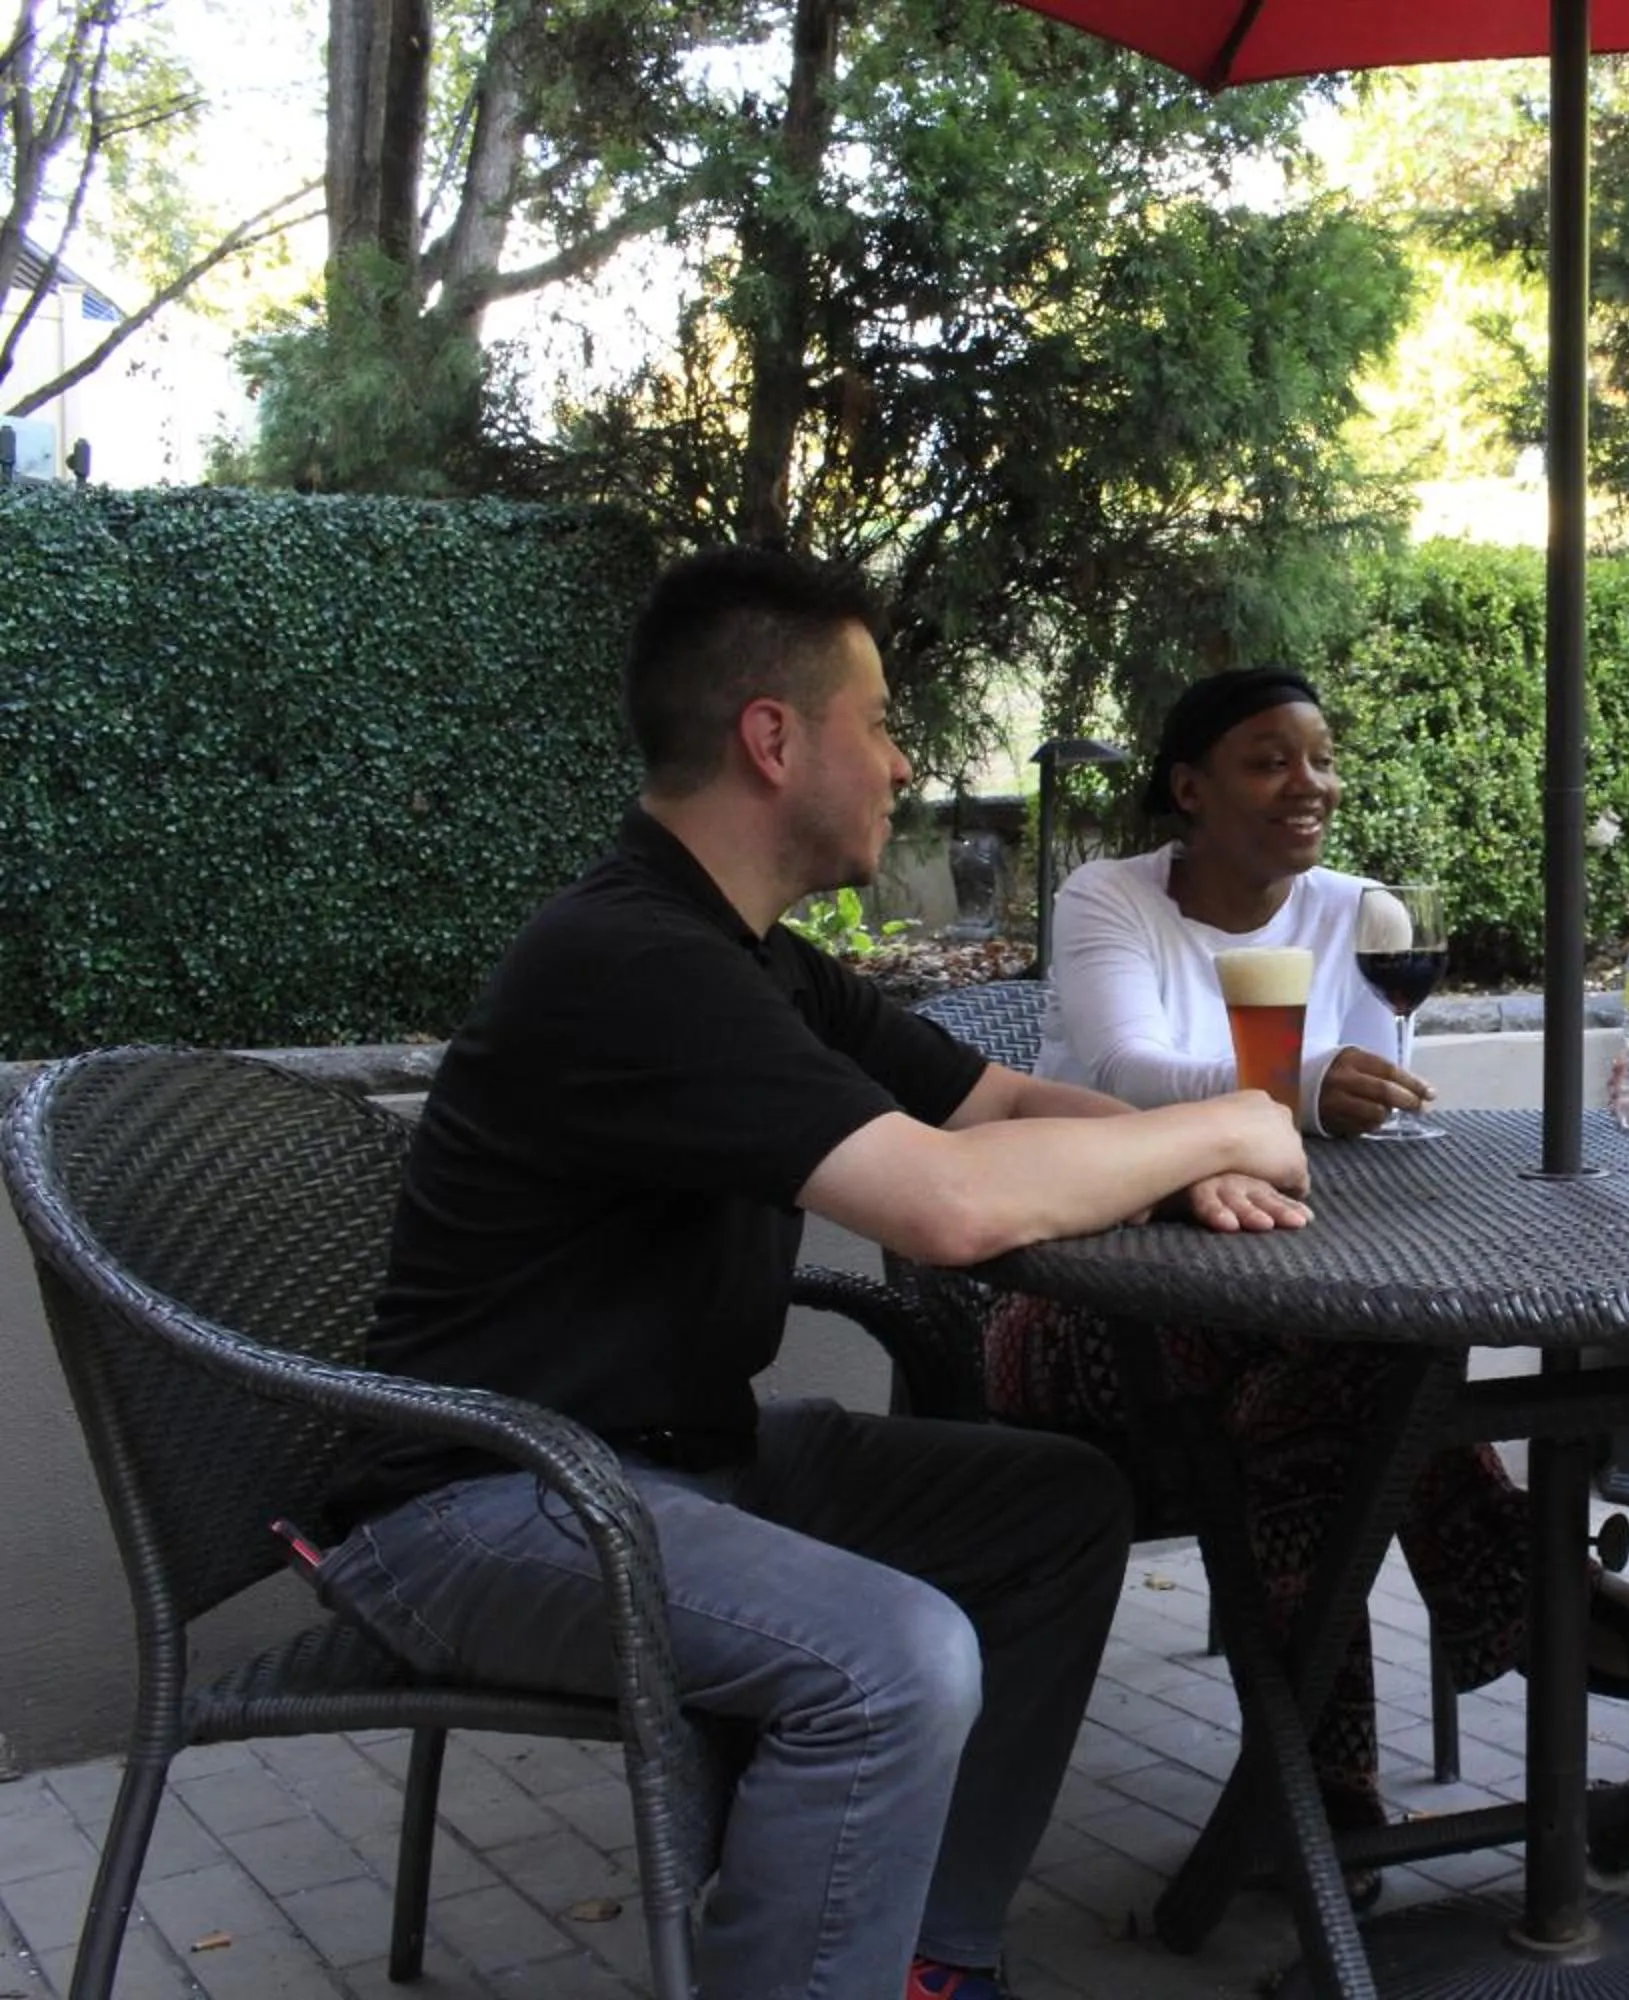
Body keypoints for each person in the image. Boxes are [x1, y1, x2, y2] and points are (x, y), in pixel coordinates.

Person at [317, 547, 1313, 2000]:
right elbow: (949, 1207)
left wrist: (1171, 1151)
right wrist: (1234, 1120)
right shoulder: (633, 958)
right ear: (774, 740)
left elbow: (997, 1107)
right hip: (489, 1494)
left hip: (676, 1462)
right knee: (889, 1658)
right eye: (882, 720)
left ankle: (919, 1961)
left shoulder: (760, 958)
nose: (907, 762)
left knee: (1056, 1507)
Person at [987, 666, 1629, 1892]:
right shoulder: (1109, 897)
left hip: (1279, 1287)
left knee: (1325, 1407)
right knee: (1365, 1373)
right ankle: (1534, 1600)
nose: (1310, 783)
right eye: (1270, 759)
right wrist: (1293, 1088)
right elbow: (1122, 1066)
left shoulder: (1359, 913)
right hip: (1082, 1307)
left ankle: (1323, 1793)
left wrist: (1330, 1096)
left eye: (1321, 759)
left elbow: (1370, 1134)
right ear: (1189, 787)